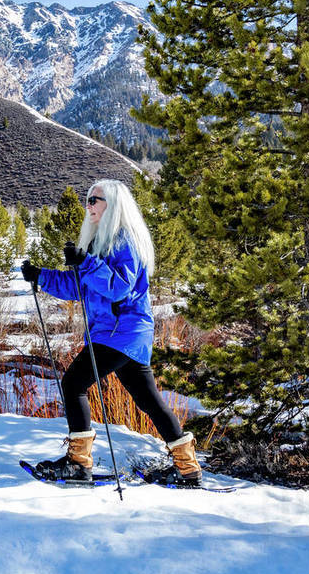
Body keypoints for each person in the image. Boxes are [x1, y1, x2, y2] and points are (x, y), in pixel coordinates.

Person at [20, 179, 202, 486]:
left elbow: (119, 288)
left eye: (95, 200)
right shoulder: (99, 243)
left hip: (123, 331)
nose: (88, 205)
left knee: (74, 382)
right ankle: (188, 468)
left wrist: (86, 263)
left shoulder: (124, 242)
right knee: (149, 400)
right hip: (118, 333)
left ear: (113, 205)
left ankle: (79, 463)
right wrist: (42, 276)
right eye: (88, 200)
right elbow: (78, 287)